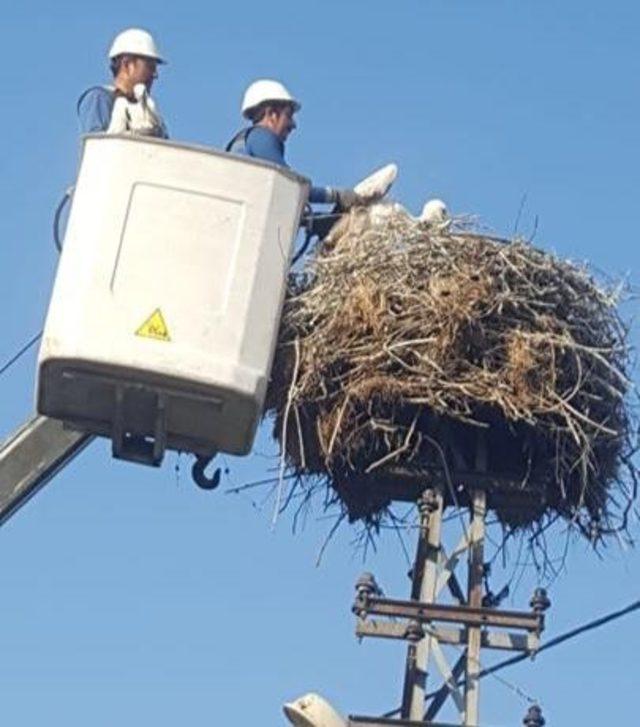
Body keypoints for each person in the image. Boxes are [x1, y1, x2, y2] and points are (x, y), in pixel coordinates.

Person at [226, 79, 363, 208]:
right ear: (272, 114)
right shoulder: (261, 137)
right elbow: (293, 186)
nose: (293, 124)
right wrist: (337, 196)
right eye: (288, 115)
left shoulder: (240, 143)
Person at [77, 28, 168, 138]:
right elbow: (98, 147)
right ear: (127, 64)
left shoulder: (151, 115)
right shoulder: (100, 98)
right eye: (150, 67)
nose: (155, 75)